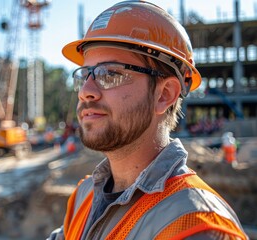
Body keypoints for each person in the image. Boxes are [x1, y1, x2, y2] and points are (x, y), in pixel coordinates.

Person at [48, 1, 248, 240]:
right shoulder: (85, 196)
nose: (85, 91)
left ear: (164, 95)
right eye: (84, 75)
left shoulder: (197, 224)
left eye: (110, 73)